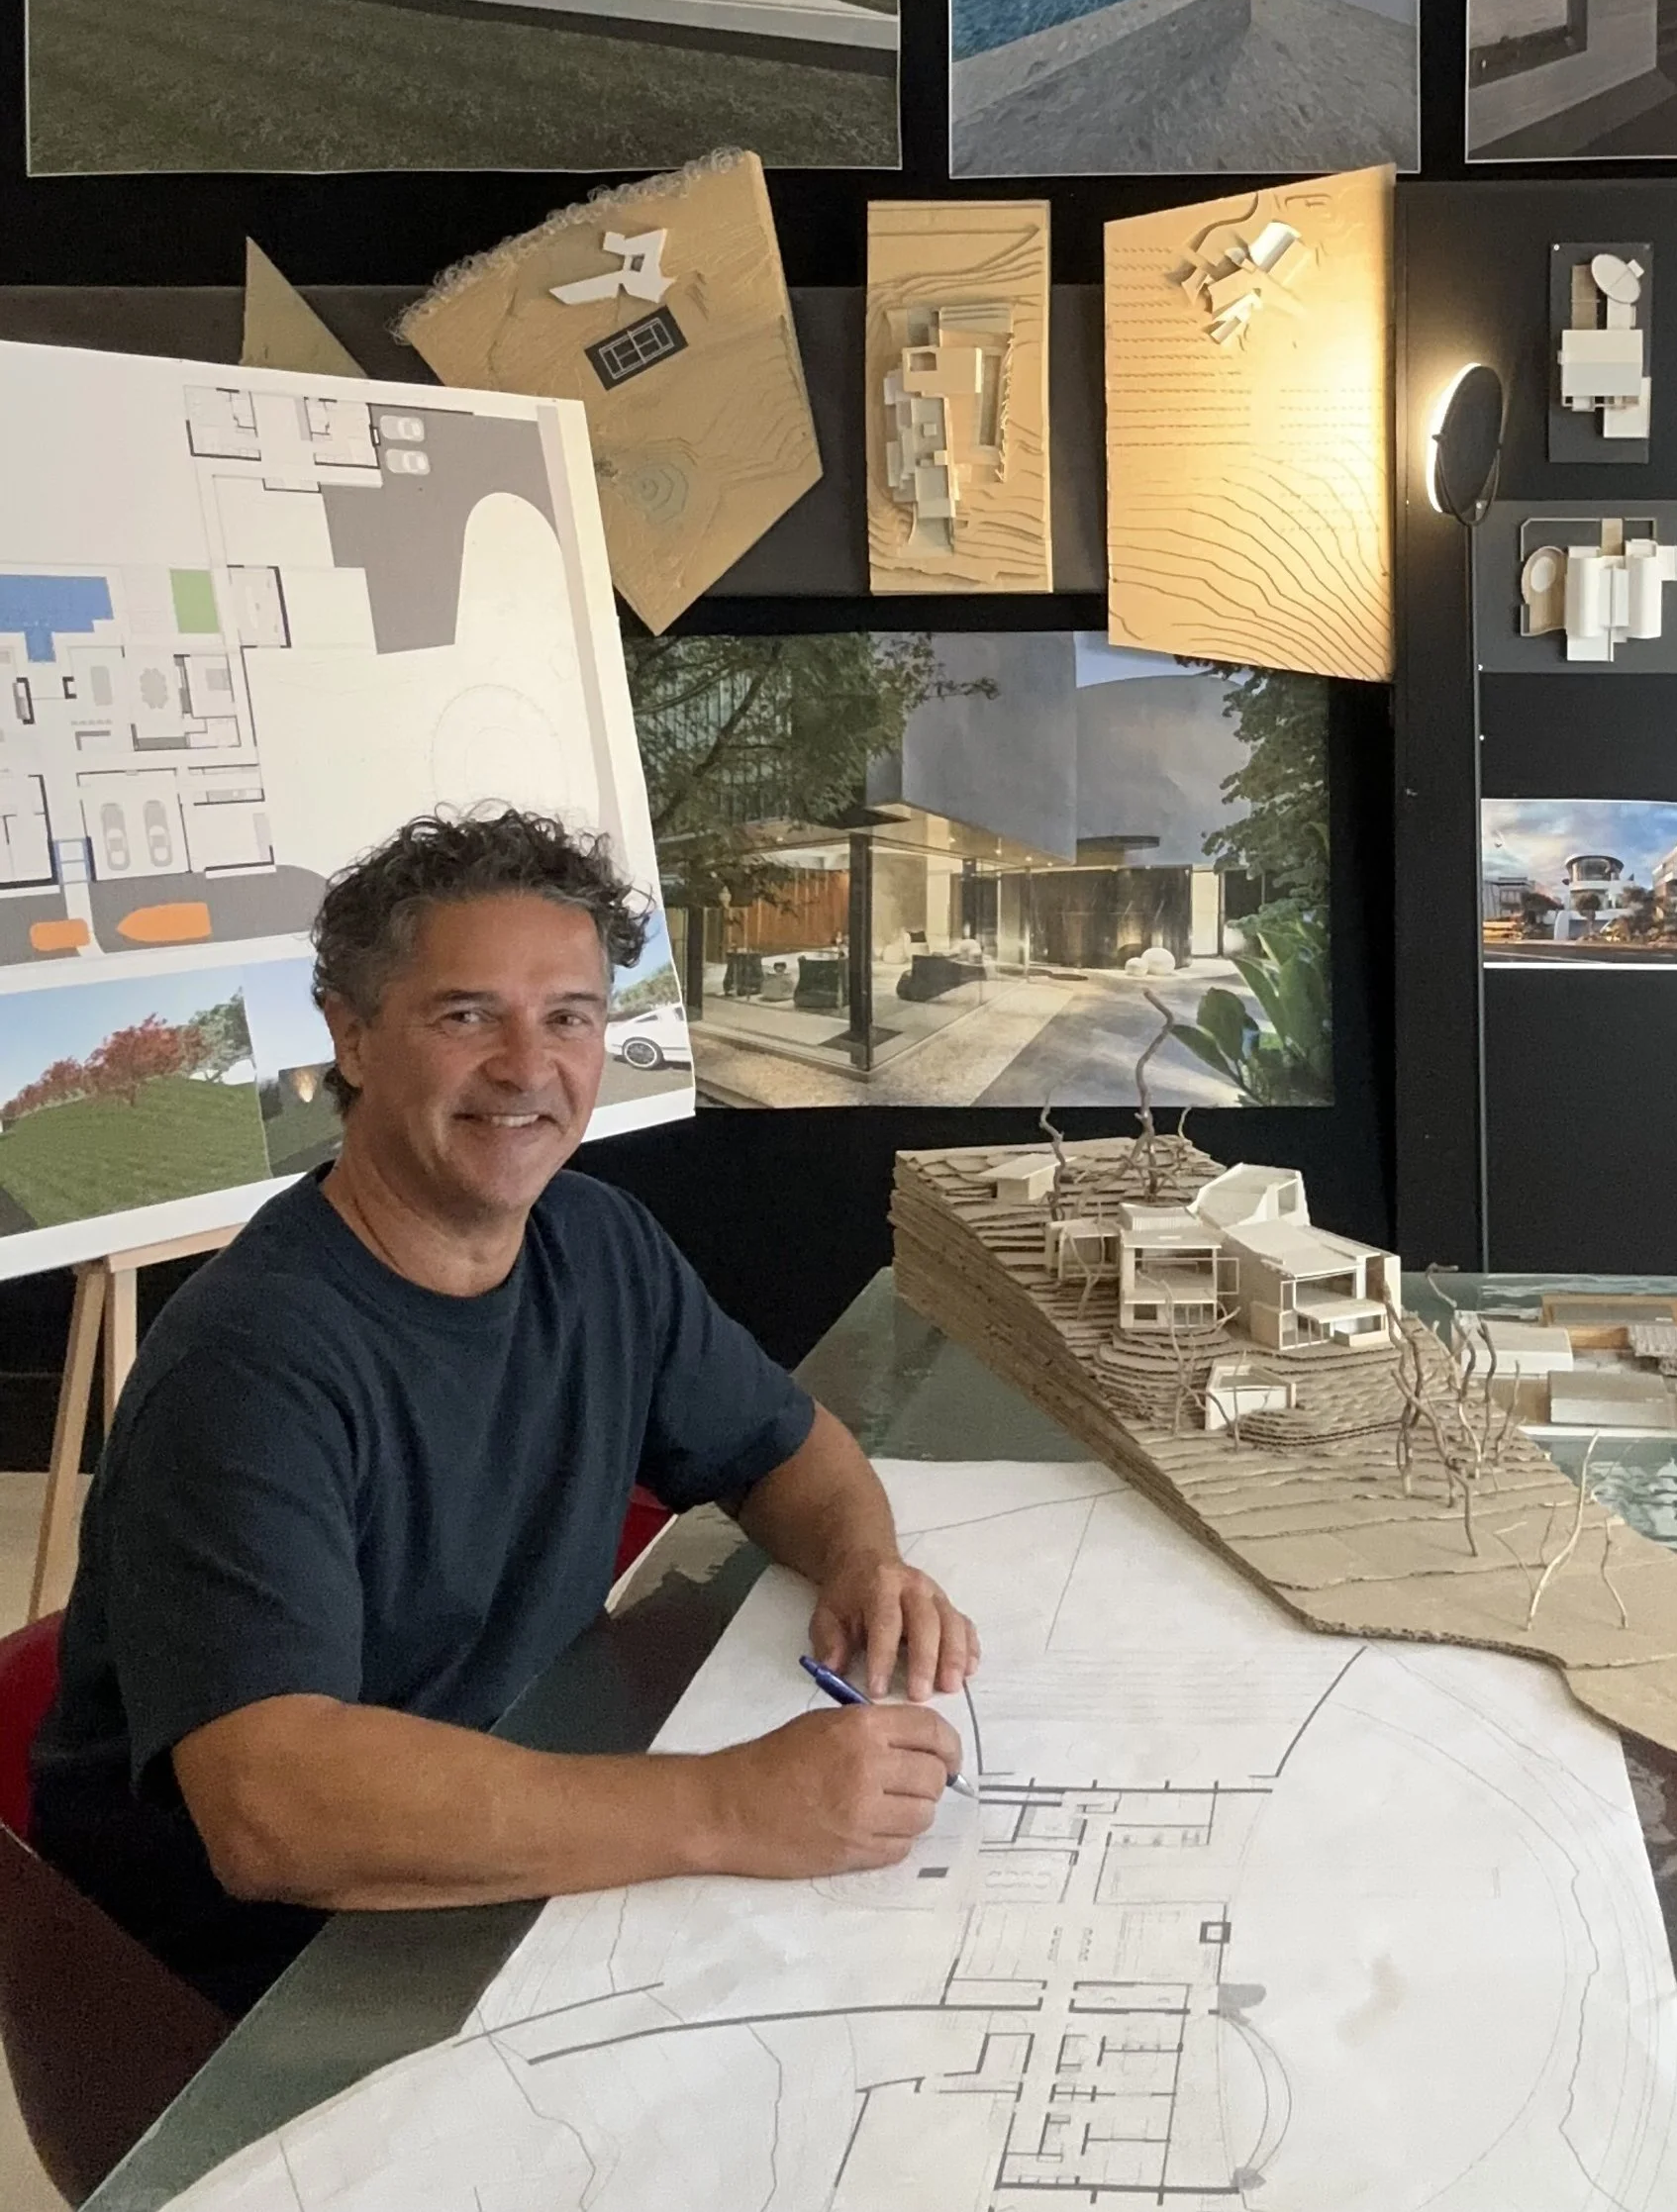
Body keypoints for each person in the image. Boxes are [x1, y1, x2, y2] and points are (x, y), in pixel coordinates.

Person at [31, 809, 979, 2016]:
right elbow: (275, 1812)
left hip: (513, 1842)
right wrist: (729, 1805)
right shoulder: (248, 1364)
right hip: (262, 1985)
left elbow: (782, 1449)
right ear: (352, 1035)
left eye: (569, 1017)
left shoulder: (599, 1242)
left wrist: (862, 1562)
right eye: (467, 1016)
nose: (530, 1069)